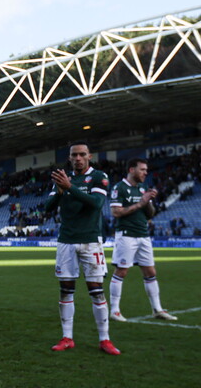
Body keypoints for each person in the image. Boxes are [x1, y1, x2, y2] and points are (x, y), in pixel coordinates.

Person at [45, 142, 119, 355]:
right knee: (66, 289)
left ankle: (104, 339)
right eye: (74, 155)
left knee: (96, 290)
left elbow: (96, 203)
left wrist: (70, 188)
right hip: (66, 241)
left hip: (90, 241)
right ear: (69, 157)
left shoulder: (98, 177)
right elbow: (47, 208)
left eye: (82, 155)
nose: (78, 158)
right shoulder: (64, 179)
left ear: (89, 156)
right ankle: (67, 337)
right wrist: (60, 191)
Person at [108, 158, 177, 322]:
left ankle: (157, 309)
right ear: (132, 170)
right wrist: (140, 203)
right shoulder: (119, 188)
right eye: (142, 169)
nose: (146, 172)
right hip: (126, 235)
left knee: (150, 272)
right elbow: (116, 212)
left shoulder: (142, 188)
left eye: (146, 170)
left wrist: (149, 201)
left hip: (143, 235)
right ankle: (115, 310)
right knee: (122, 271)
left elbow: (150, 214)